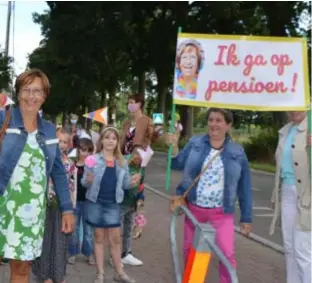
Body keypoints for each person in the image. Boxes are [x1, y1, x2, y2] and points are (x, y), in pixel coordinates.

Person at [0, 69, 75, 283]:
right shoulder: (3, 119)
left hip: (31, 213)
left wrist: (67, 209)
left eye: (37, 91)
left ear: (44, 96)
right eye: (26, 90)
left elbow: (59, 172)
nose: (31, 96)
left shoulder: (50, 131)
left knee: (21, 270)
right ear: (18, 92)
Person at [166, 108, 252, 283]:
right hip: (194, 211)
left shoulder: (237, 152)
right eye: (211, 120)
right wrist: (173, 147)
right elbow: (176, 164)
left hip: (221, 213)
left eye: (219, 120)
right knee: (191, 252)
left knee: (226, 255)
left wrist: (246, 217)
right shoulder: (195, 143)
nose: (213, 124)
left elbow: (245, 187)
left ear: (228, 125)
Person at [82, 126, 141, 283]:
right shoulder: (93, 159)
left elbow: (126, 184)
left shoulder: (122, 162)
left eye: (113, 138)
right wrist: (88, 180)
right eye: (107, 137)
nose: (110, 141)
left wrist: (133, 181)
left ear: (117, 142)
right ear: (101, 140)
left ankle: (119, 272)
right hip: (96, 203)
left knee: (115, 239)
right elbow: (84, 183)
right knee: (99, 237)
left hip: (113, 204)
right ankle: (100, 273)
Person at [269, 111, 311, 283]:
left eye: (298, 107)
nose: (293, 111)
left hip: (306, 194)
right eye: (291, 107)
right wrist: (275, 196)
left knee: (303, 249)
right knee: (289, 247)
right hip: (286, 190)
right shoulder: (285, 130)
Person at [32, 128, 75, 283]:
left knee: (59, 242)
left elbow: (71, 186)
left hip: (60, 207)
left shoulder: (70, 164)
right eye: (58, 141)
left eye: (64, 142)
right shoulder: (42, 159)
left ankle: (58, 275)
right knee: (43, 241)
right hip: (43, 204)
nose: (61, 145)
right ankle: (43, 275)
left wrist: (70, 206)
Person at [120, 93, 155, 261]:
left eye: (132, 102)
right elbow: (121, 142)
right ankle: (120, 250)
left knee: (133, 201)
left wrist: (158, 133)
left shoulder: (146, 120)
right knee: (122, 202)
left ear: (140, 104)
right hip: (123, 163)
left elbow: (154, 137)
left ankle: (126, 250)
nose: (130, 105)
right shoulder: (127, 123)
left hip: (137, 164)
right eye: (128, 103)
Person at [68, 137, 95, 265]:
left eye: (89, 151)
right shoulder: (72, 165)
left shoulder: (92, 167)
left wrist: (92, 180)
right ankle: (73, 252)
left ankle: (89, 253)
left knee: (88, 230)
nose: (86, 153)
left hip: (89, 202)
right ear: (78, 150)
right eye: (83, 150)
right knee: (74, 229)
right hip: (75, 202)